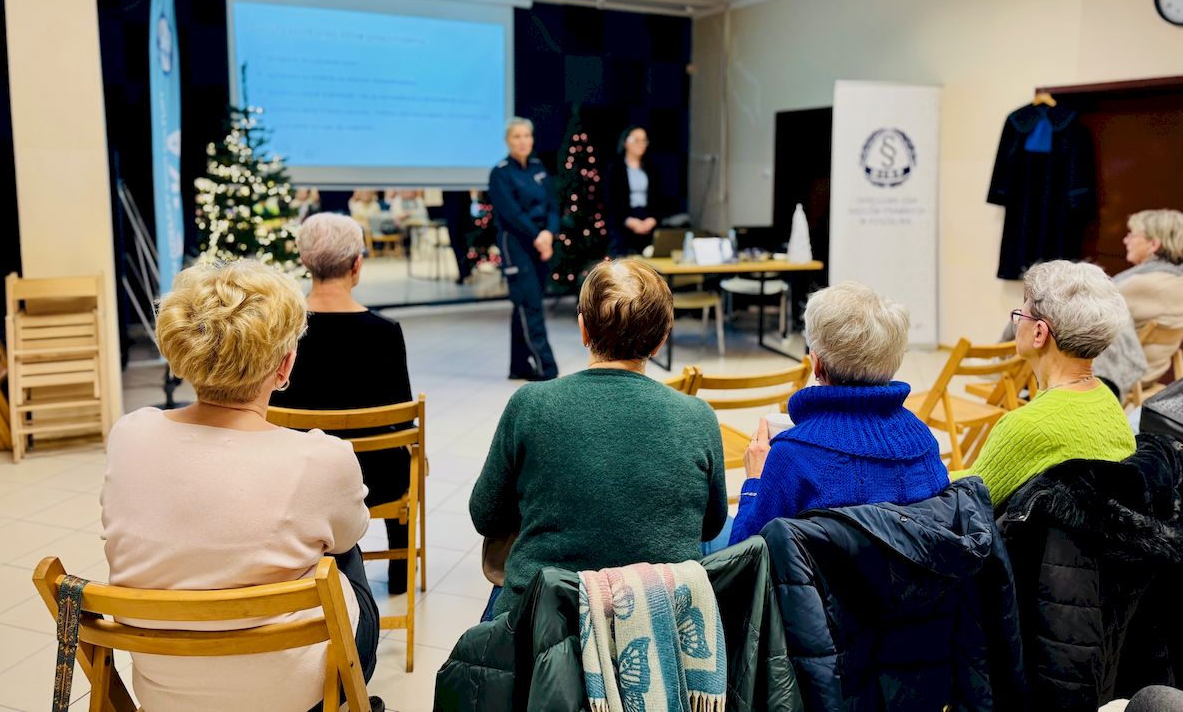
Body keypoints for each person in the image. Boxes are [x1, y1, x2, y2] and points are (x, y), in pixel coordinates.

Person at [101, 260, 380, 712]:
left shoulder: (130, 434)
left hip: (164, 688)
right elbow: (350, 534)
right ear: (284, 366)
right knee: (341, 547)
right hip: (294, 692)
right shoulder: (322, 458)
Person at [469, 258, 727, 619]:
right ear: (660, 340)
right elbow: (711, 524)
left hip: (545, 620)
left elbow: (486, 516)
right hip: (658, 620)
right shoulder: (698, 416)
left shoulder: (530, 404)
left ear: (584, 331)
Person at [729, 282, 948, 545]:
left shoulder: (791, 454)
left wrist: (755, 480)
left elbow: (744, 555)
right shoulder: (923, 440)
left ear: (817, 365)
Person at [275, 212, 414, 595]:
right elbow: (402, 417)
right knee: (402, 452)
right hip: (376, 478)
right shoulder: (385, 333)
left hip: (298, 475)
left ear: (305, 262)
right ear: (357, 265)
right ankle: (401, 572)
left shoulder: (284, 330)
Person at [957, 260, 1136, 507]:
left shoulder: (1026, 425)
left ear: (1039, 333)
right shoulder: (1107, 399)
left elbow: (966, 501)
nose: (1016, 323)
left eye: (1020, 315)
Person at [489, 118, 559, 380]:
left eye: (527, 135)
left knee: (526, 302)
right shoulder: (500, 173)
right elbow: (512, 214)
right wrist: (538, 236)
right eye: (517, 136)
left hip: (541, 242)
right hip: (516, 244)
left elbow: (553, 206)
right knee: (530, 306)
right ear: (508, 141)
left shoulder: (539, 168)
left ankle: (518, 366)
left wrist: (548, 234)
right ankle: (548, 371)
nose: (523, 141)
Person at [1117, 209, 1183, 385]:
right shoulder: (1177, 279)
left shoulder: (1142, 284)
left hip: (1116, 379)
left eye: (1132, 235)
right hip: (1149, 376)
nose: (1125, 240)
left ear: (1153, 244)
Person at [605, 126, 662, 257]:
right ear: (625, 142)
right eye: (636, 140)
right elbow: (610, 199)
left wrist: (653, 219)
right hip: (623, 221)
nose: (641, 144)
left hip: (647, 219)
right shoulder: (615, 168)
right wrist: (628, 221)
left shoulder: (651, 167)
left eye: (644, 140)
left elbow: (659, 198)